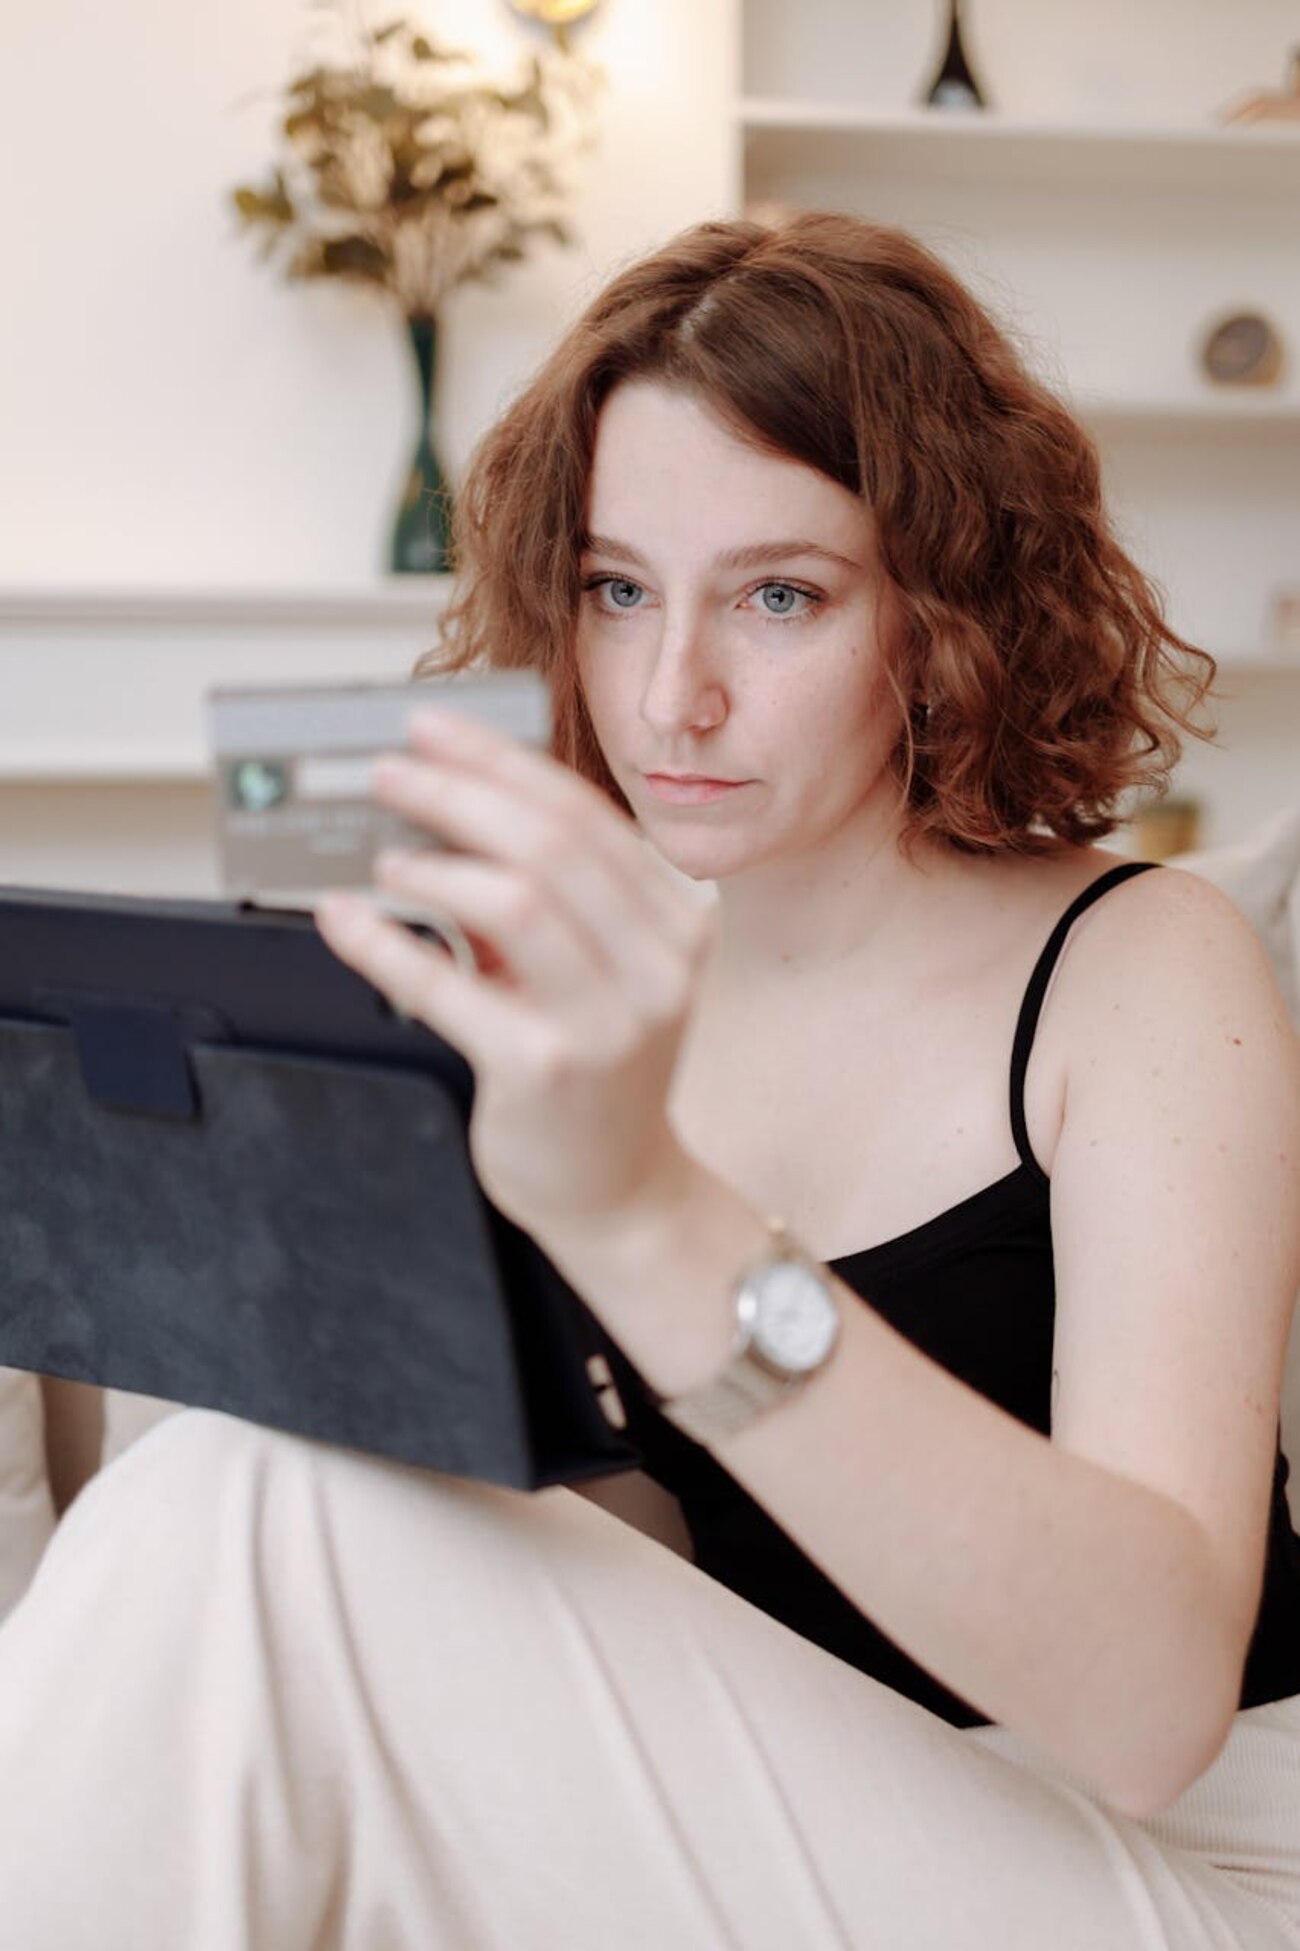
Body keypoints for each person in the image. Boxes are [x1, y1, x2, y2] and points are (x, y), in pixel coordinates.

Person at [1, 210, 1299, 1950]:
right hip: (764, 1818)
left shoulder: (1146, 966)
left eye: (779, 595)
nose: (673, 696)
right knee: (242, 1475)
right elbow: (645, 1571)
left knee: (240, 1506)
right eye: (619, 592)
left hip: (1158, 1864)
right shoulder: (600, 995)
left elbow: (1152, 1709)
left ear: (948, 609)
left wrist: (651, 1221)